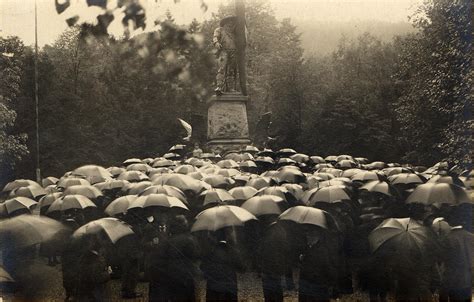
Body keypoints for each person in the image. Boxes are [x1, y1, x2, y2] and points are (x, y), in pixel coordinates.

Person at [148, 215, 199, 302]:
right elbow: (195, 256)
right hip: (185, 275)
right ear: (183, 226)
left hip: (171, 275)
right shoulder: (189, 240)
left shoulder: (167, 241)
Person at [439, 214, 473, 302]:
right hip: (468, 278)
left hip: (453, 280)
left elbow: (442, 259)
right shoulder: (471, 236)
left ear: (450, 223)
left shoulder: (447, 238)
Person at [76, 236, 111, 302]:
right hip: (94, 294)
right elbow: (97, 277)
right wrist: (108, 273)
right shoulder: (96, 260)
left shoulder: (84, 256)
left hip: (84, 292)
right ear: (99, 248)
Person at [213, 16, 238, 95]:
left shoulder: (236, 32)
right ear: (225, 22)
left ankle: (230, 88)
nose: (231, 23)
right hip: (224, 51)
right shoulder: (219, 30)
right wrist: (216, 42)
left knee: (231, 70)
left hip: (234, 52)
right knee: (221, 69)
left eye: (232, 22)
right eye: (229, 21)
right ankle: (219, 87)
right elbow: (215, 37)